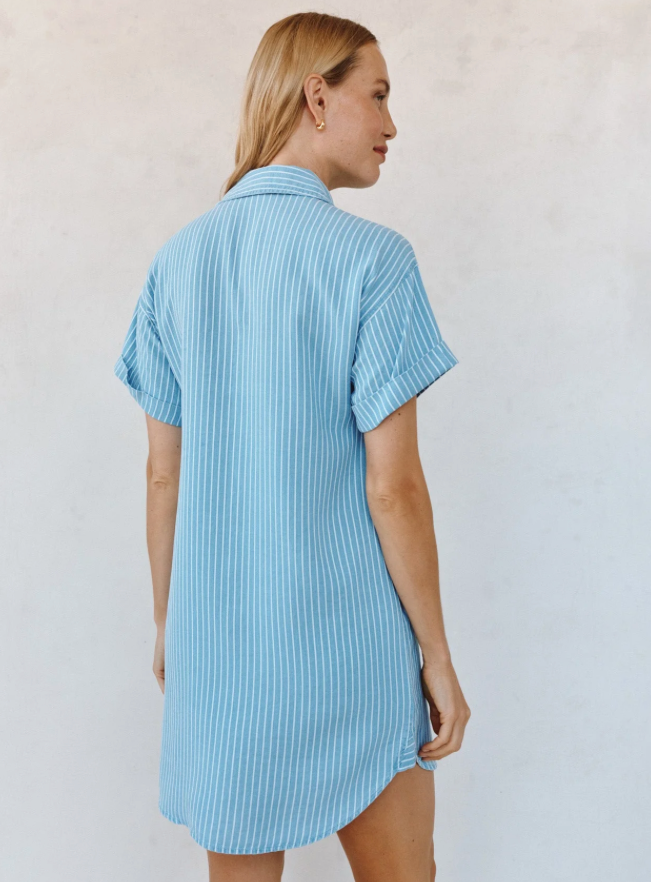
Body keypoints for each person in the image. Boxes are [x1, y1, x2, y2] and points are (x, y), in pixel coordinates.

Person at [114, 11, 471, 882]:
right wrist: (435, 654)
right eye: (377, 95)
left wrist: (169, 624)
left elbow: (164, 475)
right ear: (318, 96)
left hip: (220, 659)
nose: (392, 124)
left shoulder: (177, 263)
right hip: (353, 654)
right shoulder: (373, 261)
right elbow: (394, 489)